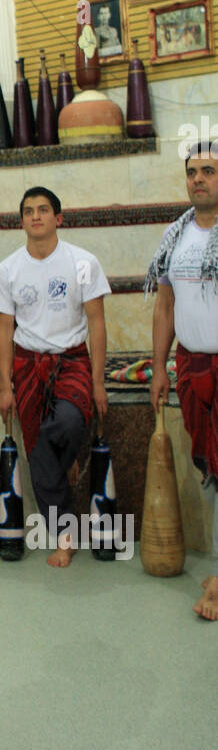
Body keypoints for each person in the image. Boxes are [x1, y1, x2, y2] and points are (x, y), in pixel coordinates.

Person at [0, 186, 110, 567]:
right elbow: (4, 331)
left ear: (59, 218)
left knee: (70, 423)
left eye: (43, 210)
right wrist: (6, 386)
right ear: (21, 220)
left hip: (72, 360)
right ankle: (65, 535)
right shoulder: (8, 270)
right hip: (27, 365)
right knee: (39, 452)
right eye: (28, 211)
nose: (35, 216)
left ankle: (69, 454)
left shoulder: (83, 262)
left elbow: (97, 323)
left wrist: (99, 381)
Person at [146, 141, 218, 621]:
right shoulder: (176, 236)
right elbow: (166, 306)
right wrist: (159, 366)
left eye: (209, 170)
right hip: (193, 369)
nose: (198, 179)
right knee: (209, 471)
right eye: (192, 171)